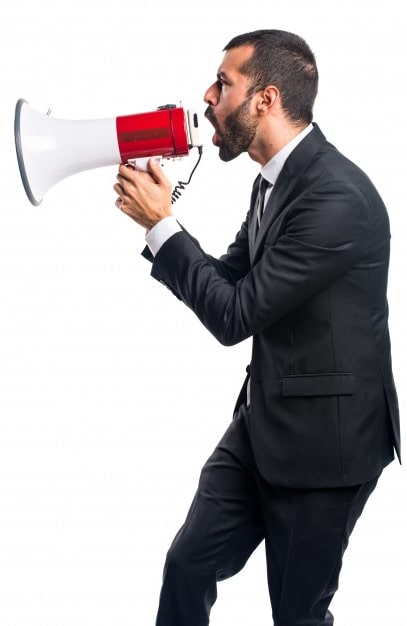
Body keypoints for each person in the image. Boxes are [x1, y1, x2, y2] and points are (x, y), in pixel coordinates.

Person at [113, 29, 400, 626]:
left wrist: (164, 228)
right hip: (263, 423)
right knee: (188, 566)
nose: (208, 96)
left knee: (297, 614)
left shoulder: (336, 197)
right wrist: (162, 223)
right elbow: (226, 279)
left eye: (224, 83)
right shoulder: (272, 182)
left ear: (265, 100)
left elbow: (234, 316)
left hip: (328, 448)